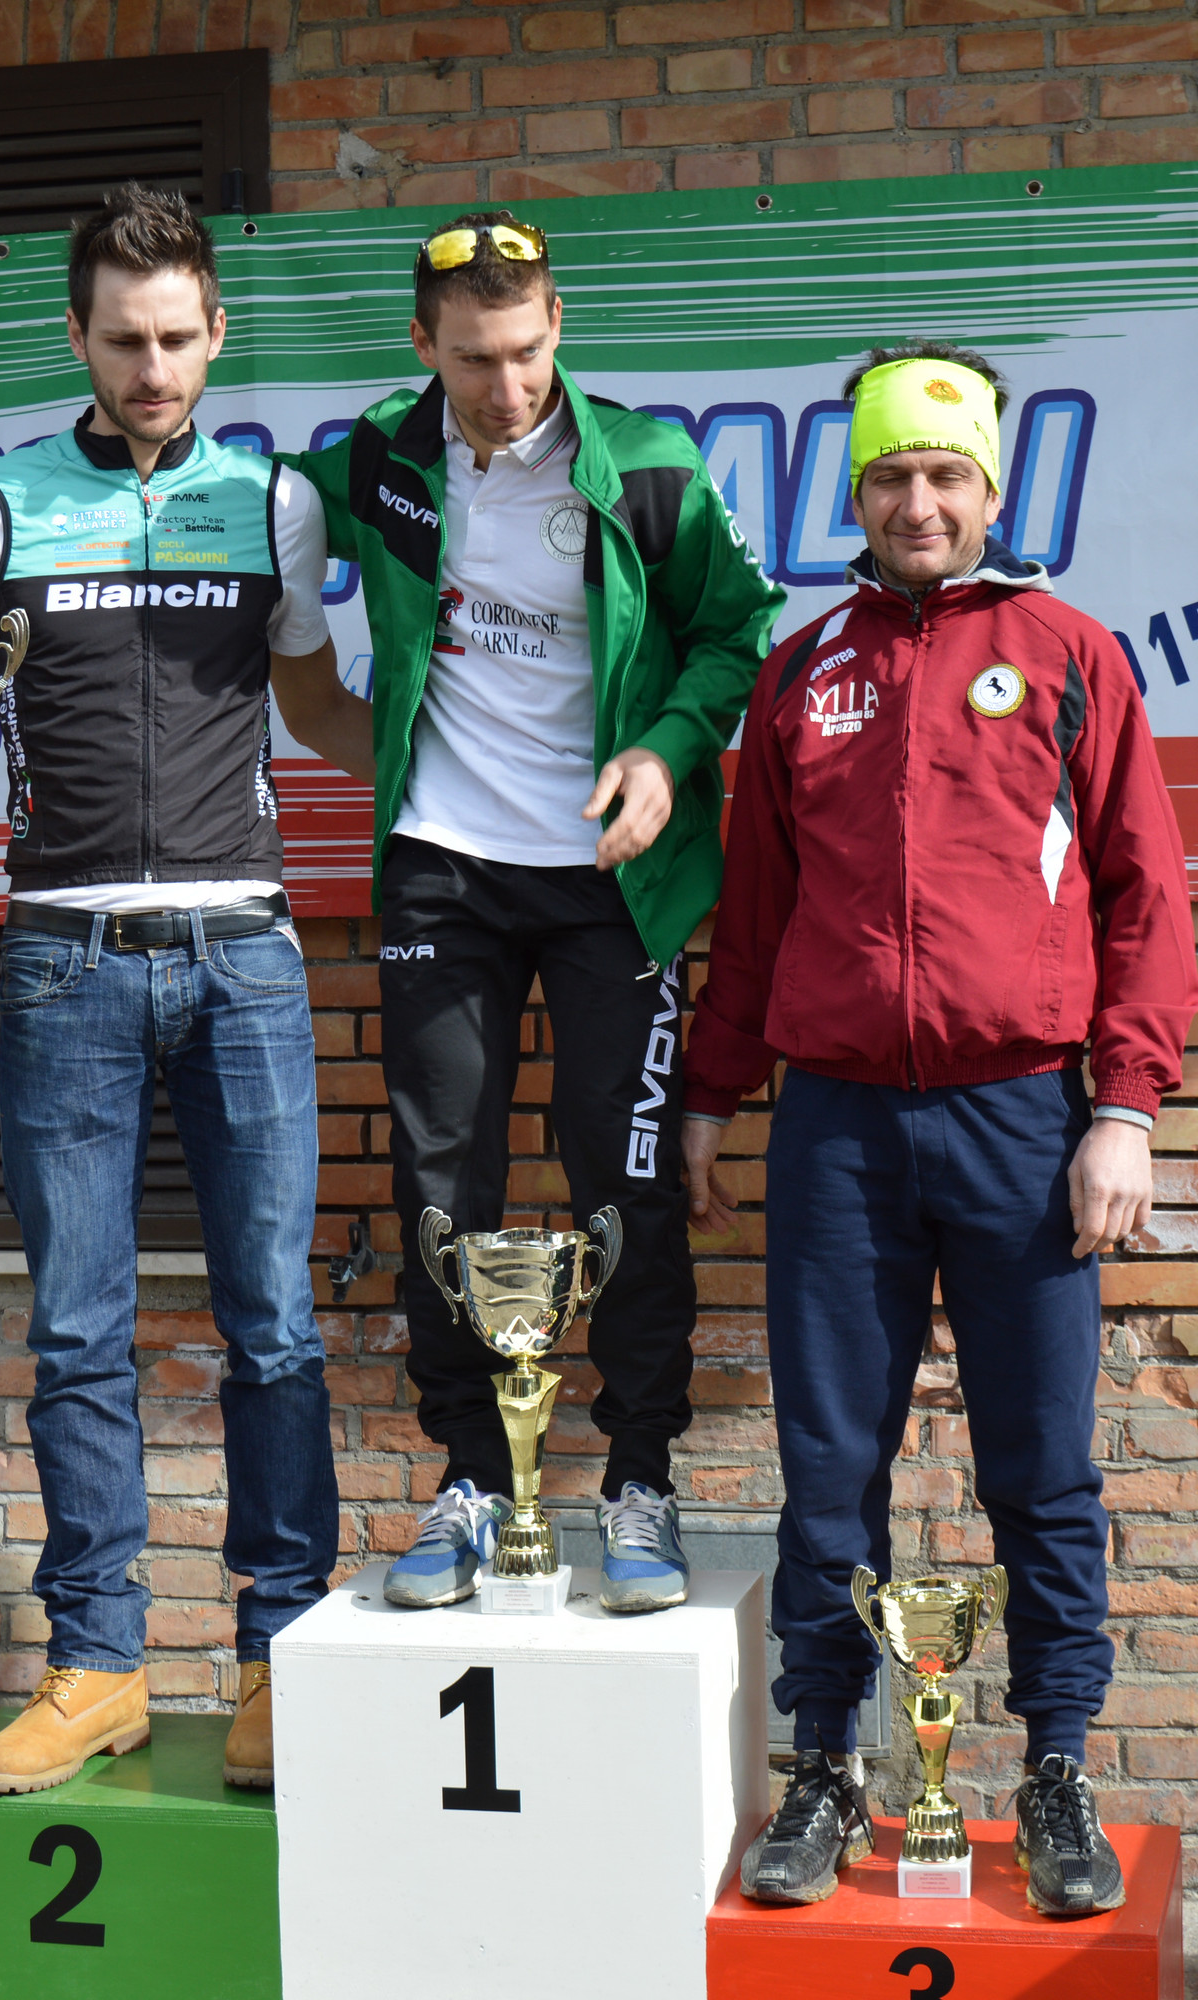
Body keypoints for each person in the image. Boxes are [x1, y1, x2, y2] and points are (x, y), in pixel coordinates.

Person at [681, 342, 1198, 1917]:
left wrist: (1125, 1107)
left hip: (1021, 1121)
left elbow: (1145, 896)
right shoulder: (803, 673)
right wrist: (712, 1089)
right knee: (829, 1469)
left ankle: (1057, 1770)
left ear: (990, 488)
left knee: (1040, 1469)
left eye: (947, 475)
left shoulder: (1070, 656)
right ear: (857, 493)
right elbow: (754, 916)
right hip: (838, 1129)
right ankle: (830, 1766)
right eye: (893, 476)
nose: (920, 503)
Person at [0, 182, 374, 1797]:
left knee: (274, 1326)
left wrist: (483, 768)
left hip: (245, 953)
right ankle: (96, 1666)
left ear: (217, 333)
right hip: (61, 958)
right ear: (77, 337)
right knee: (76, 1330)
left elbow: (315, 703)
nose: (151, 370)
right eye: (121, 340)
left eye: (175, 340)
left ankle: (279, 1654)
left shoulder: (274, 500)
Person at [286, 213, 782, 1615]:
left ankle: (638, 1480)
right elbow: (244, 509)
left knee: (625, 1180)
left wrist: (666, 753)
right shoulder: (376, 462)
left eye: (525, 352)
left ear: (558, 325)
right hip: (442, 864)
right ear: (421, 345)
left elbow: (734, 634)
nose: (506, 388)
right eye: (472, 360)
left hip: (609, 875)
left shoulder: (648, 465)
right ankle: (466, 1477)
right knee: (442, 1183)